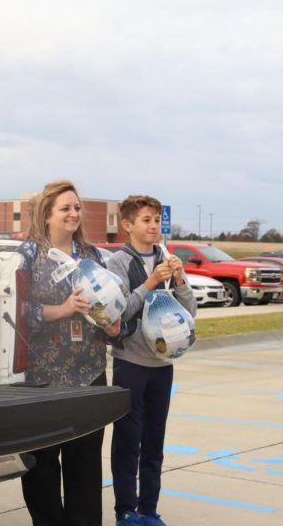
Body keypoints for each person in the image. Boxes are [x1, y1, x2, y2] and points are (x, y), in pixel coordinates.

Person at [15, 179, 121, 526]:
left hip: (89, 373)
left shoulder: (92, 255)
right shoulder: (28, 255)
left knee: (86, 466)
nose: (74, 214)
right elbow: (18, 314)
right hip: (42, 379)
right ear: (46, 215)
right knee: (41, 466)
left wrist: (110, 323)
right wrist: (63, 309)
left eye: (77, 208)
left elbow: (108, 305)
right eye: (65, 208)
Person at [106, 196, 196, 526]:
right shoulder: (118, 262)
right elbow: (119, 311)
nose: (154, 226)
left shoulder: (167, 258)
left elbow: (190, 313)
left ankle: (148, 509)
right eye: (146, 220)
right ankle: (125, 510)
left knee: (154, 441)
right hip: (130, 362)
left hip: (162, 365)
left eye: (157, 219)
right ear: (128, 225)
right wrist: (151, 282)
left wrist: (181, 279)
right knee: (128, 441)